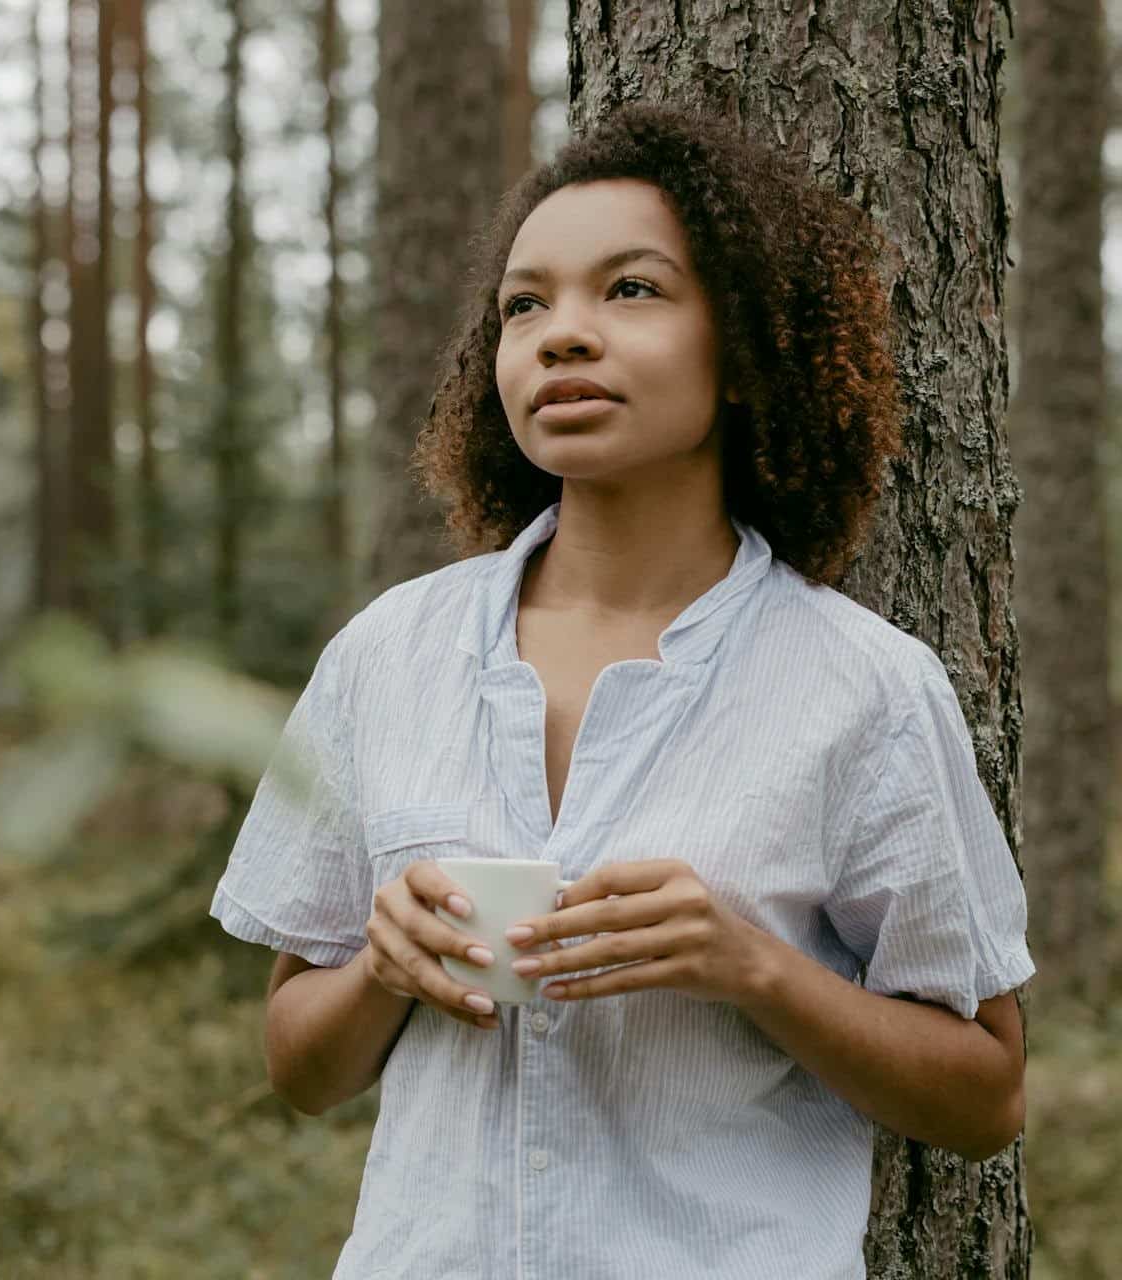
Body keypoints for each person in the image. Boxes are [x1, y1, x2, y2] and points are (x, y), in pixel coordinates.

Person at [210, 102, 1036, 1280]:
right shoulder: (385, 657)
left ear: (742, 345)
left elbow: (987, 1092)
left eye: (631, 290)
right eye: (524, 304)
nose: (561, 336)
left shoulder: (864, 689)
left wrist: (751, 964)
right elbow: (300, 1068)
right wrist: (380, 970)